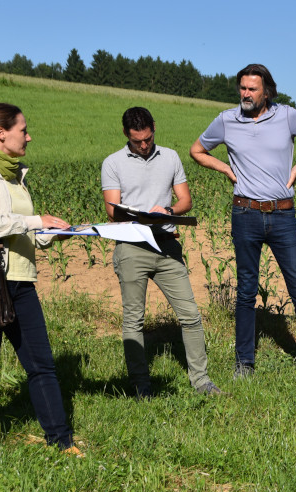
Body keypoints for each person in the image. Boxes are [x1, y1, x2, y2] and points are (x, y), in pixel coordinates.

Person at [190, 64, 296, 387]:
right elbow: (197, 151)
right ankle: (244, 362)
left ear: (266, 91)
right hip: (245, 214)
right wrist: (225, 169)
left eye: (252, 89)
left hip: (283, 216)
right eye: (242, 88)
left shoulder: (287, 116)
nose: (245, 94)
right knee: (245, 291)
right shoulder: (227, 120)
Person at [0, 103, 82, 461]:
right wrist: (33, 222)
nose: (29, 136)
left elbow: (24, 233)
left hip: (21, 280)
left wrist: (56, 233)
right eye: (23, 130)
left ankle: (61, 441)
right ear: (1, 133)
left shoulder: (15, 175)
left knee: (42, 364)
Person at [101, 106, 221, 397]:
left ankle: (201, 380)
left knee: (190, 315)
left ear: (154, 127)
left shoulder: (169, 156)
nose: (143, 145)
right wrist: (140, 216)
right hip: (131, 246)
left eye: (147, 138)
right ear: (125, 134)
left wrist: (166, 211)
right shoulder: (113, 163)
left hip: (167, 245)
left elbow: (185, 201)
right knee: (134, 320)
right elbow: (112, 211)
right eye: (136, 141)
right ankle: (141, 385)